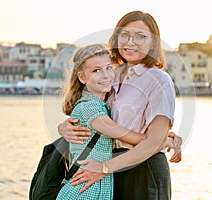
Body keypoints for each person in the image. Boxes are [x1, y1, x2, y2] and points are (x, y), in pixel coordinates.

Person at [58, 11, 182, 199]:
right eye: (125, 35)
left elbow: (154, 141)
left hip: (143, 169)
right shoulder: (110, 74)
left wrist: (104, 168)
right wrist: (64, 128)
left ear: (153, 43)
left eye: (141, 37)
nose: (130, 42)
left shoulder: (159, 80)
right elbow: (92, 117)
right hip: (109, 173)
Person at [56, 43, 164, 199]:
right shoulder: (91, 108)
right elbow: (129, 137)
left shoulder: (103, 105)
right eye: (96, 70)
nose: (106, 75)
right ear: (82, 77)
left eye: (108, 67)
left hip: (95, 189)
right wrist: (163, 139)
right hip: (82, 193)